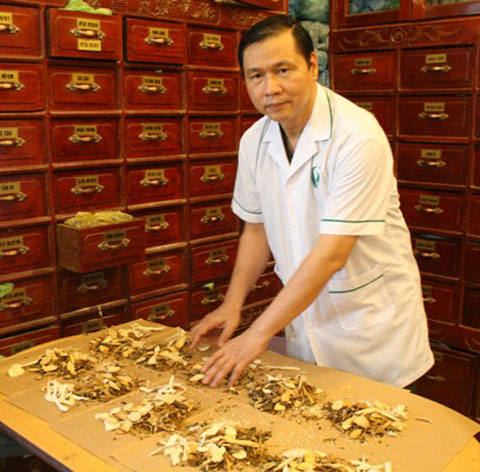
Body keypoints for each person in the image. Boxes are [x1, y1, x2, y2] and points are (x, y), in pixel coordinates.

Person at [191, 15, 434, 389]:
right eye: (256, 76)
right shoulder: (255, 141)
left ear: (312, 66)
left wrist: (258, 333)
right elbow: (256, 230)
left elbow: (332, 254)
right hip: (306, 324)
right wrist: (232, 304)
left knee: (377, 420)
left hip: (371, 332)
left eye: (283, 70)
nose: (270, 88)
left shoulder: (357, 137)